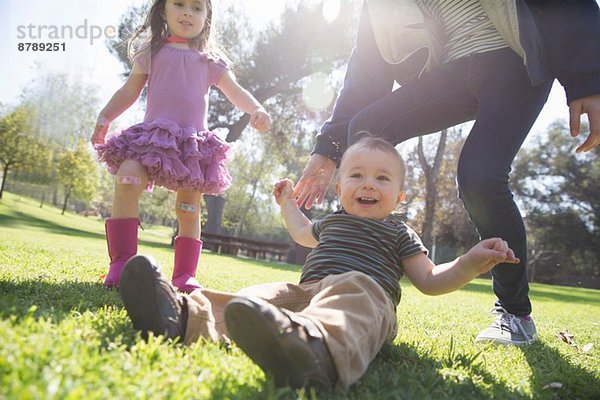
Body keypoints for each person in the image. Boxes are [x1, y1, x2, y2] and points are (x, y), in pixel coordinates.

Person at [292, 0, 600, 346]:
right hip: (449, 71)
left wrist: (587, 79)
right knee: (368, 124)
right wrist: (329, 148)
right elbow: (366, 71)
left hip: (513, 60)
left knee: (479, 177)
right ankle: (349, 271)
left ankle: (516, 314)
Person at [118, 137, 520, 390]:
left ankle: (316, 349)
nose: (368, 184)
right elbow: (300, 232)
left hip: (366, 298)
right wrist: (288, 203)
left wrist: (468, 263)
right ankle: (182, 318)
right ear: (340, 186)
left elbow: (430, 280)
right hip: (305, 294)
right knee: (258, 297)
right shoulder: (331, 222)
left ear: (399, 197)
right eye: (357, 175)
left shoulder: (400, 233)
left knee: (352, 293)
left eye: (382, 179)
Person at [90, 0, 271, 291]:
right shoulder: (152, 52)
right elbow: (129, 91)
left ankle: (184, 275)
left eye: (197, 8)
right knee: (127, 178)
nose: (188, 12)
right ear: (164, 10)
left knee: (188, 208)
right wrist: (105, 116)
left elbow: (236, 92)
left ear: (206, 17)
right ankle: (121, 264)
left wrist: (256, 109)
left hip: (190, 147)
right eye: (179, 4)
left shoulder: (210, 59)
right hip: (150, 140)